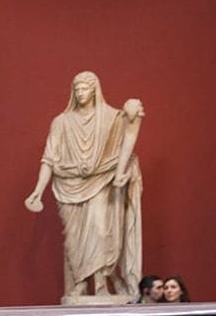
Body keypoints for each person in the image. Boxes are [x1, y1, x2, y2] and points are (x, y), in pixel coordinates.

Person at [25, 71, 145, 299]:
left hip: (101, 181)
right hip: (67, 186)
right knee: (73, 240)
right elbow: (49, 159)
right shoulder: (61, 122)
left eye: (85, 89)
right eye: (77, 89)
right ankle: (79, 284)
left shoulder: (110, 117)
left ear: (94, 90)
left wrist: (131, 110)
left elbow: (130, 123)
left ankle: (101, 287)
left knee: (101, 233)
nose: (80, 93)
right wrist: (38, 191)